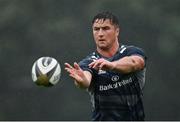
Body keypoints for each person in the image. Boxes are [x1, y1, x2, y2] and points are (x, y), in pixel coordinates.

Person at [65, 11, 147, 121]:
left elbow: (135, 63)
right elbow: (85, 80)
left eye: (105, 28)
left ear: (117, 31)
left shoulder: (131, 51)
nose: (100, 34)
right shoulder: (89, 62)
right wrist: (82, 81)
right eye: (96, 29)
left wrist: (112, 65)